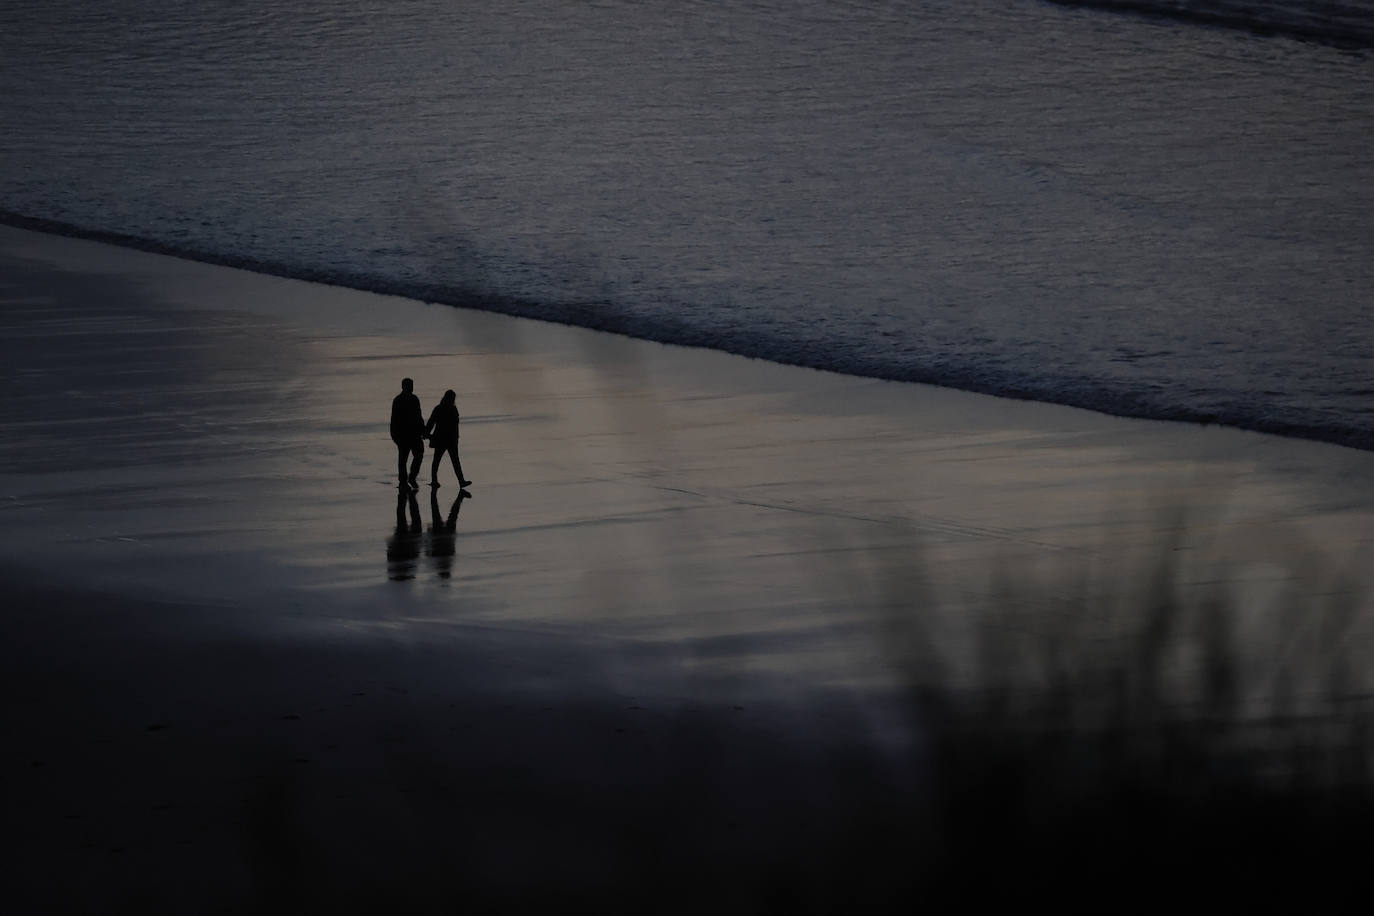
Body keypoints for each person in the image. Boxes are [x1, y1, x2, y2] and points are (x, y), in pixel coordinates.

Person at [424, 389, 472, 488]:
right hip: (444, 439)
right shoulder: (445, 409)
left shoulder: (445, 408)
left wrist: (427, 433)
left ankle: (460, 481)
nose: (453, 400)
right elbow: (431, 422)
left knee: (447, 461)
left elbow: (431, 422)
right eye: (452, 398)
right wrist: (426, 433)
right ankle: (436, 480)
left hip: (448, 439)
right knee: (442, 460)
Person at [390, 378, 426, 490]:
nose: (411, 387)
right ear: (403, 386)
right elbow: (394, 419)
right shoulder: (398, 400)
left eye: (412, 385)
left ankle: (411, 477)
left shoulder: (415, 399)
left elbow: (419, 416)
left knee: (418, 455)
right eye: (410, 385)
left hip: (414, 434)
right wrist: (394, 435)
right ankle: (403, 480)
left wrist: (423, 430)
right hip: (403, 435)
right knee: (403, 459)